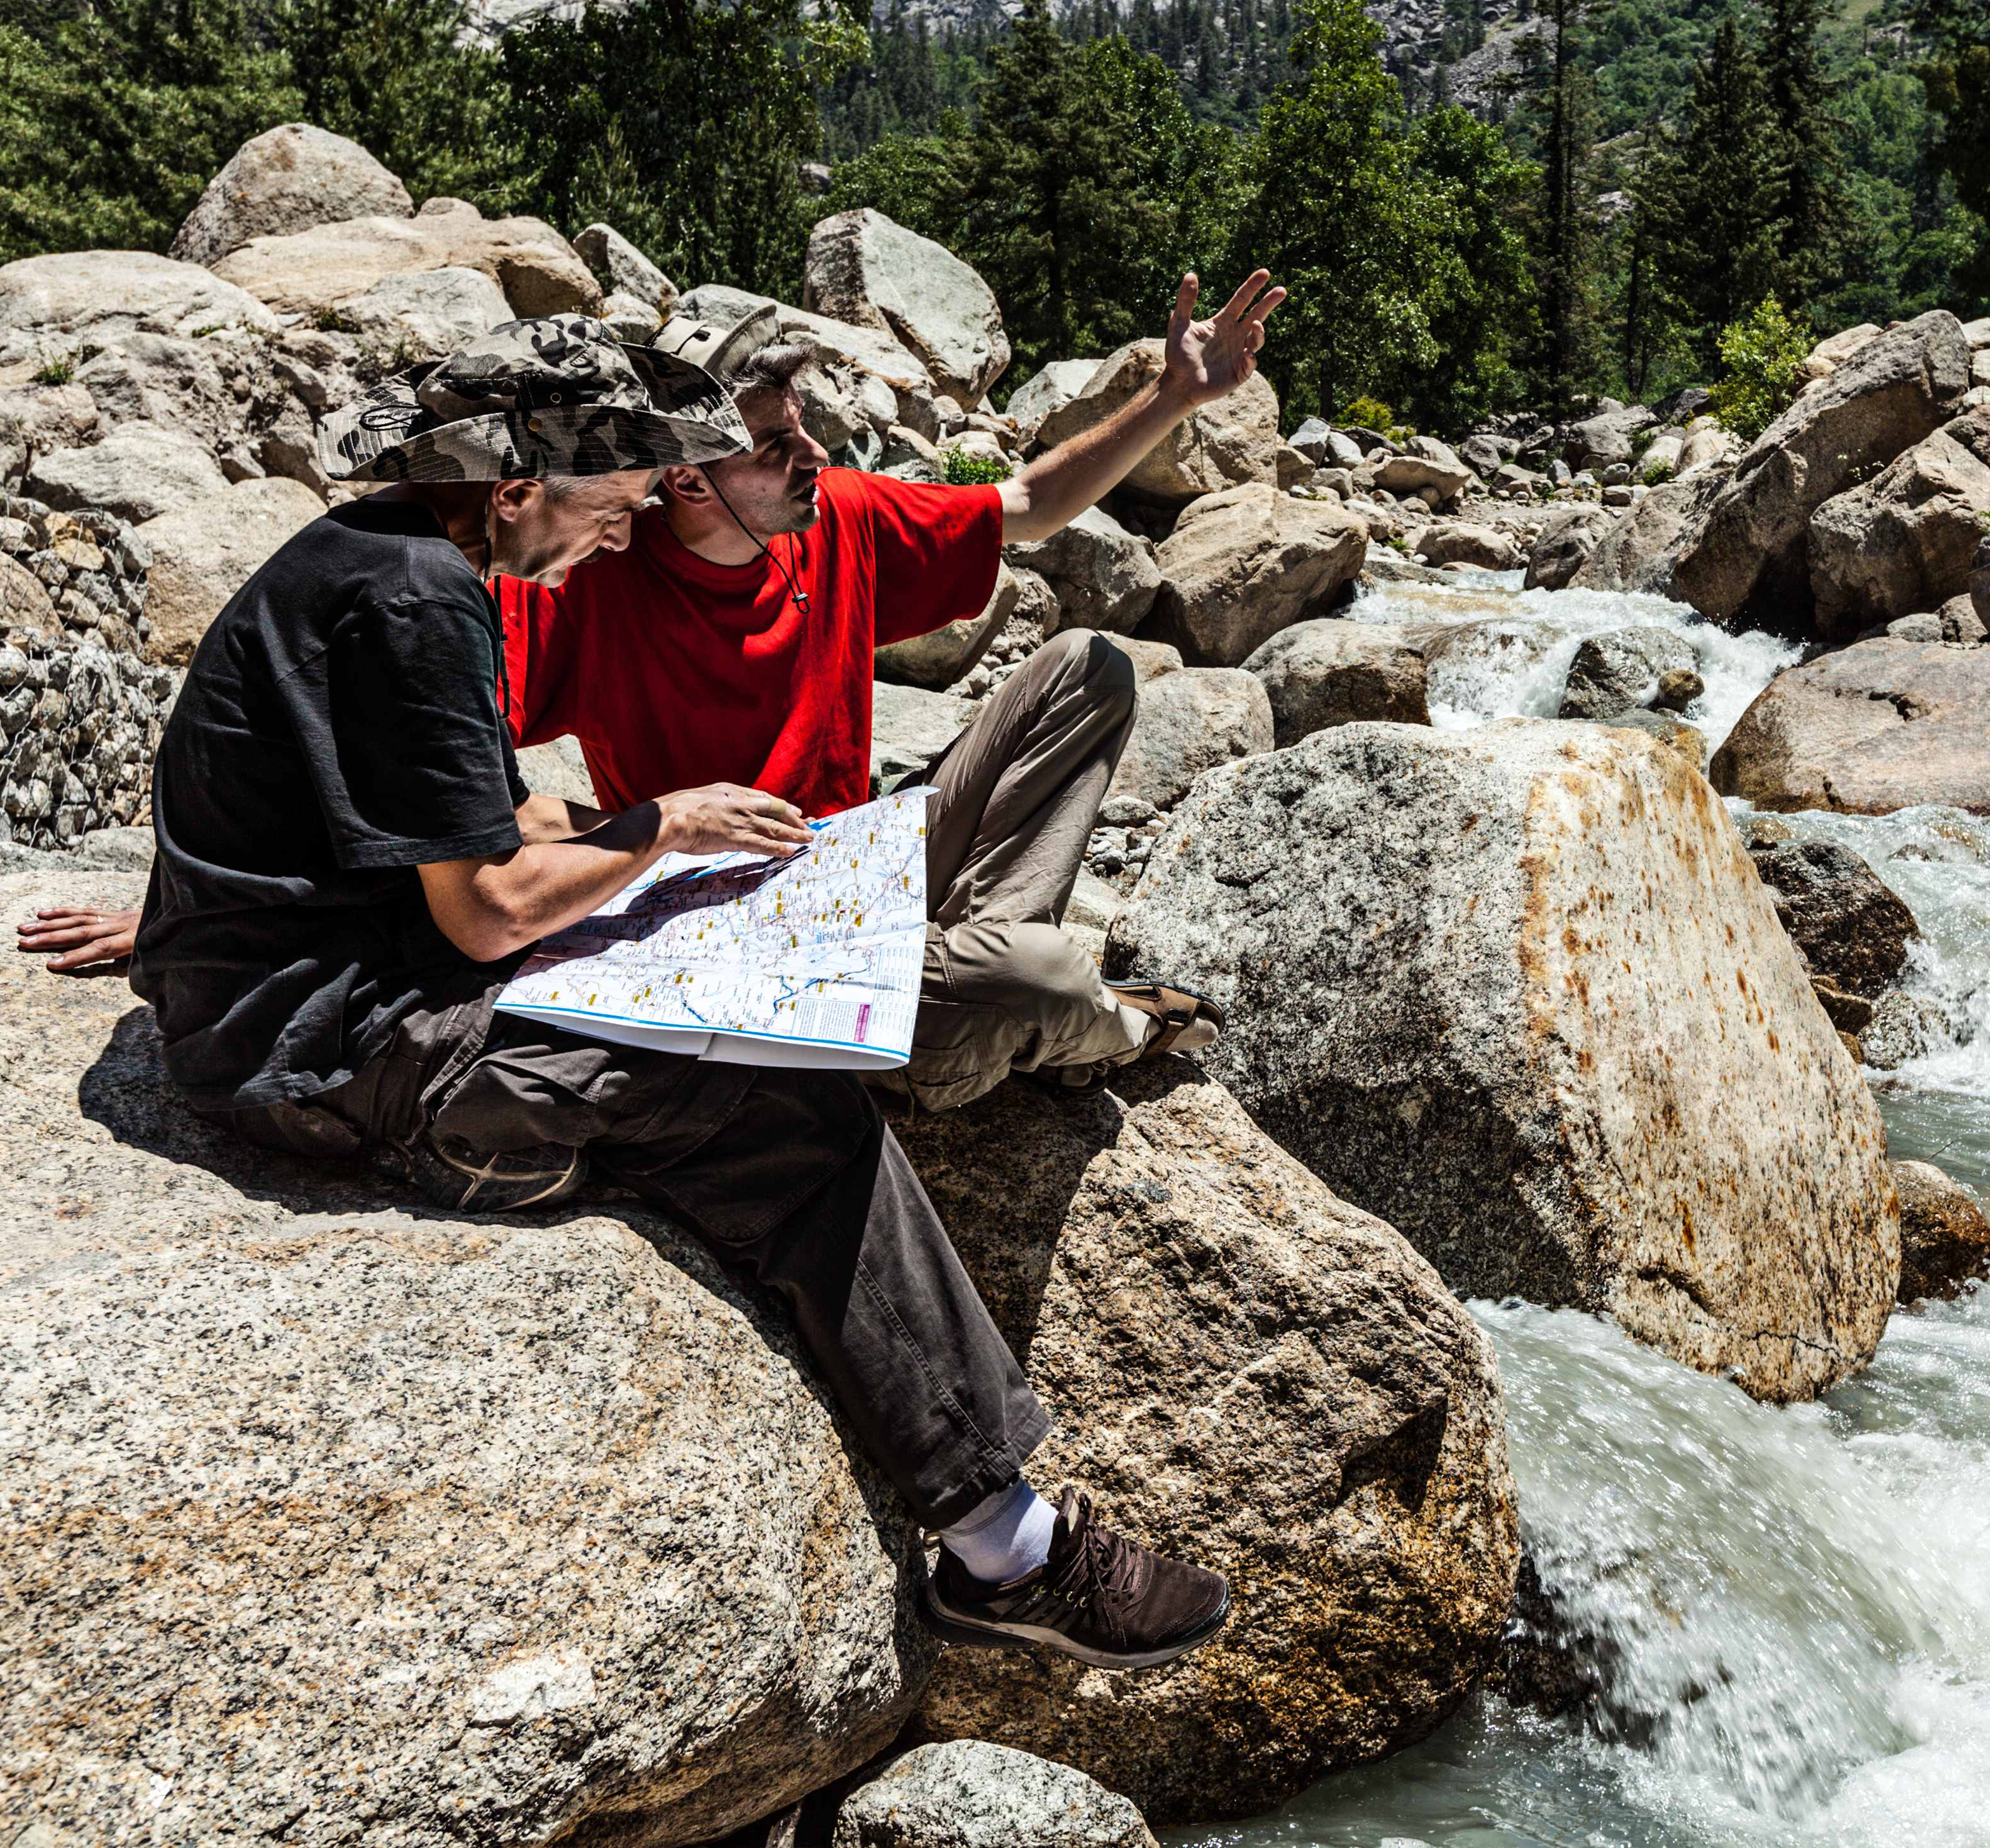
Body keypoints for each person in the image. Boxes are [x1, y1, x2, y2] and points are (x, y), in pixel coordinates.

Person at [111, 290, 1276, 1670]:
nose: (627, 518)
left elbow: (467, 830)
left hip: (316, 1010)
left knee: (764, 1050)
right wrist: (662, 827)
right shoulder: (427, 599)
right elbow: (485, 916)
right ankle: (1003, 1550)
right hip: (339, 1058)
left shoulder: (379, 558)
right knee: (782, 1104)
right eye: (614, 488)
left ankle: (983, 1060)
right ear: (521, 478)